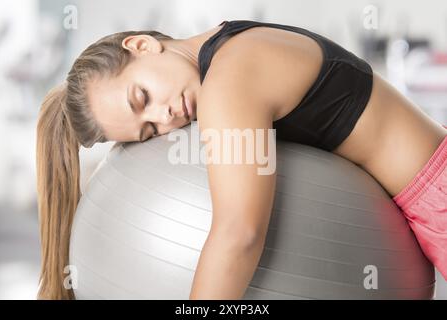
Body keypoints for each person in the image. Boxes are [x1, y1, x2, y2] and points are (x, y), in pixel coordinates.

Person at [36, 19, 447, 300]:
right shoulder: (232, 46)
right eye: (147, 131)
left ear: (141, 46)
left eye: (142, 97)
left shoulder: (228, 84)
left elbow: (240, 232)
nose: (164, 117)